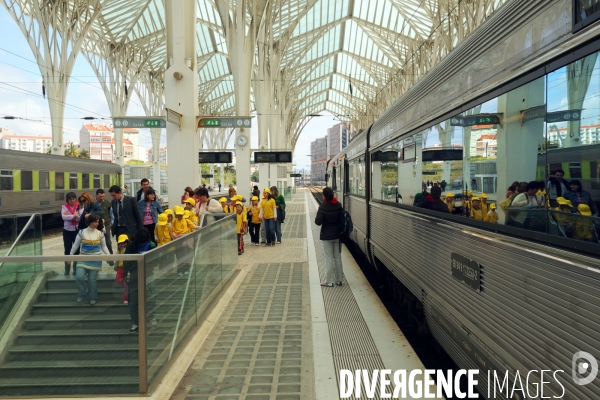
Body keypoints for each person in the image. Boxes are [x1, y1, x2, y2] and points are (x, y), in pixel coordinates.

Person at [70, 214, 109, 305]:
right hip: (83, 258)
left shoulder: (100, 234)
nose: (97, 223)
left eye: (98, 222)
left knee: (92, 280)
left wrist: (109, 257)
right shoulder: (81, 232)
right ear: (90, 222)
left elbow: (104, 247)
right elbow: (75, 245)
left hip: (96, 260)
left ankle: (93, 297)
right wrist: (70, 256)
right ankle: (82, 294)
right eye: (95, 222)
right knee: (79, 277)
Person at [123, 228, 157, 333]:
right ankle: (135, 323)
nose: (142, 244)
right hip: (134, 277)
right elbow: (126, 261)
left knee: (151, 299)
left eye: (143, 242)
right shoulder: (131, 245)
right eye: (140, 242)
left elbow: (154, 262)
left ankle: (151, 318)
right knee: (133, 302)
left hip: (148, 275)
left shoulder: (152, 245)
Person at [315, 187, 343, 287]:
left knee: (328, 258)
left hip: (327, 236)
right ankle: (339, 280)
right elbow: (342, 220)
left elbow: (318, 222)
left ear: (324, 196)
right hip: (337, 235)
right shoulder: (338, 205)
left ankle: (329, 281)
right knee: (337, 257)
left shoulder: (323, 206)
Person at [62, 192, 80, 275]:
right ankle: (67, 269)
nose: (72, 201)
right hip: (67, 230)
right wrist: (74, 216)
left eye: (73, 199)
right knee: (67, 249)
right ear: (67, 200)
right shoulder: (64, 206)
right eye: (70, 199)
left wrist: (70, 216)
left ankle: (75, 269)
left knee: (76, 249)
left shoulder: (79, 206)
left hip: (76, 230)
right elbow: (64, 217)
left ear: (75, 199)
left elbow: (80, 217)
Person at [95, 189, 113, 255]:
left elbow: (111, 213)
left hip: (106, 224)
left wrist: (112, 222)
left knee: (108, 242)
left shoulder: (107, 203)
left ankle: (110, 256)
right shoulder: (93, 203)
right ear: (96, 196)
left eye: (103, 196)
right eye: (100, 196)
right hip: (96, 225)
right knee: (96, 241)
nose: (102, 198)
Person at [114, 234, 129, 304]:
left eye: (124, 243)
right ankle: (125, 285)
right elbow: (117, 259)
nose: (123, 245)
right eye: (121, 243)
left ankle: (126, 298)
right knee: (118, 279)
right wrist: (115, 266)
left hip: (126, 268)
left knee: (126, 285)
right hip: (120, 268)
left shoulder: (128, 249)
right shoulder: (119, 250)